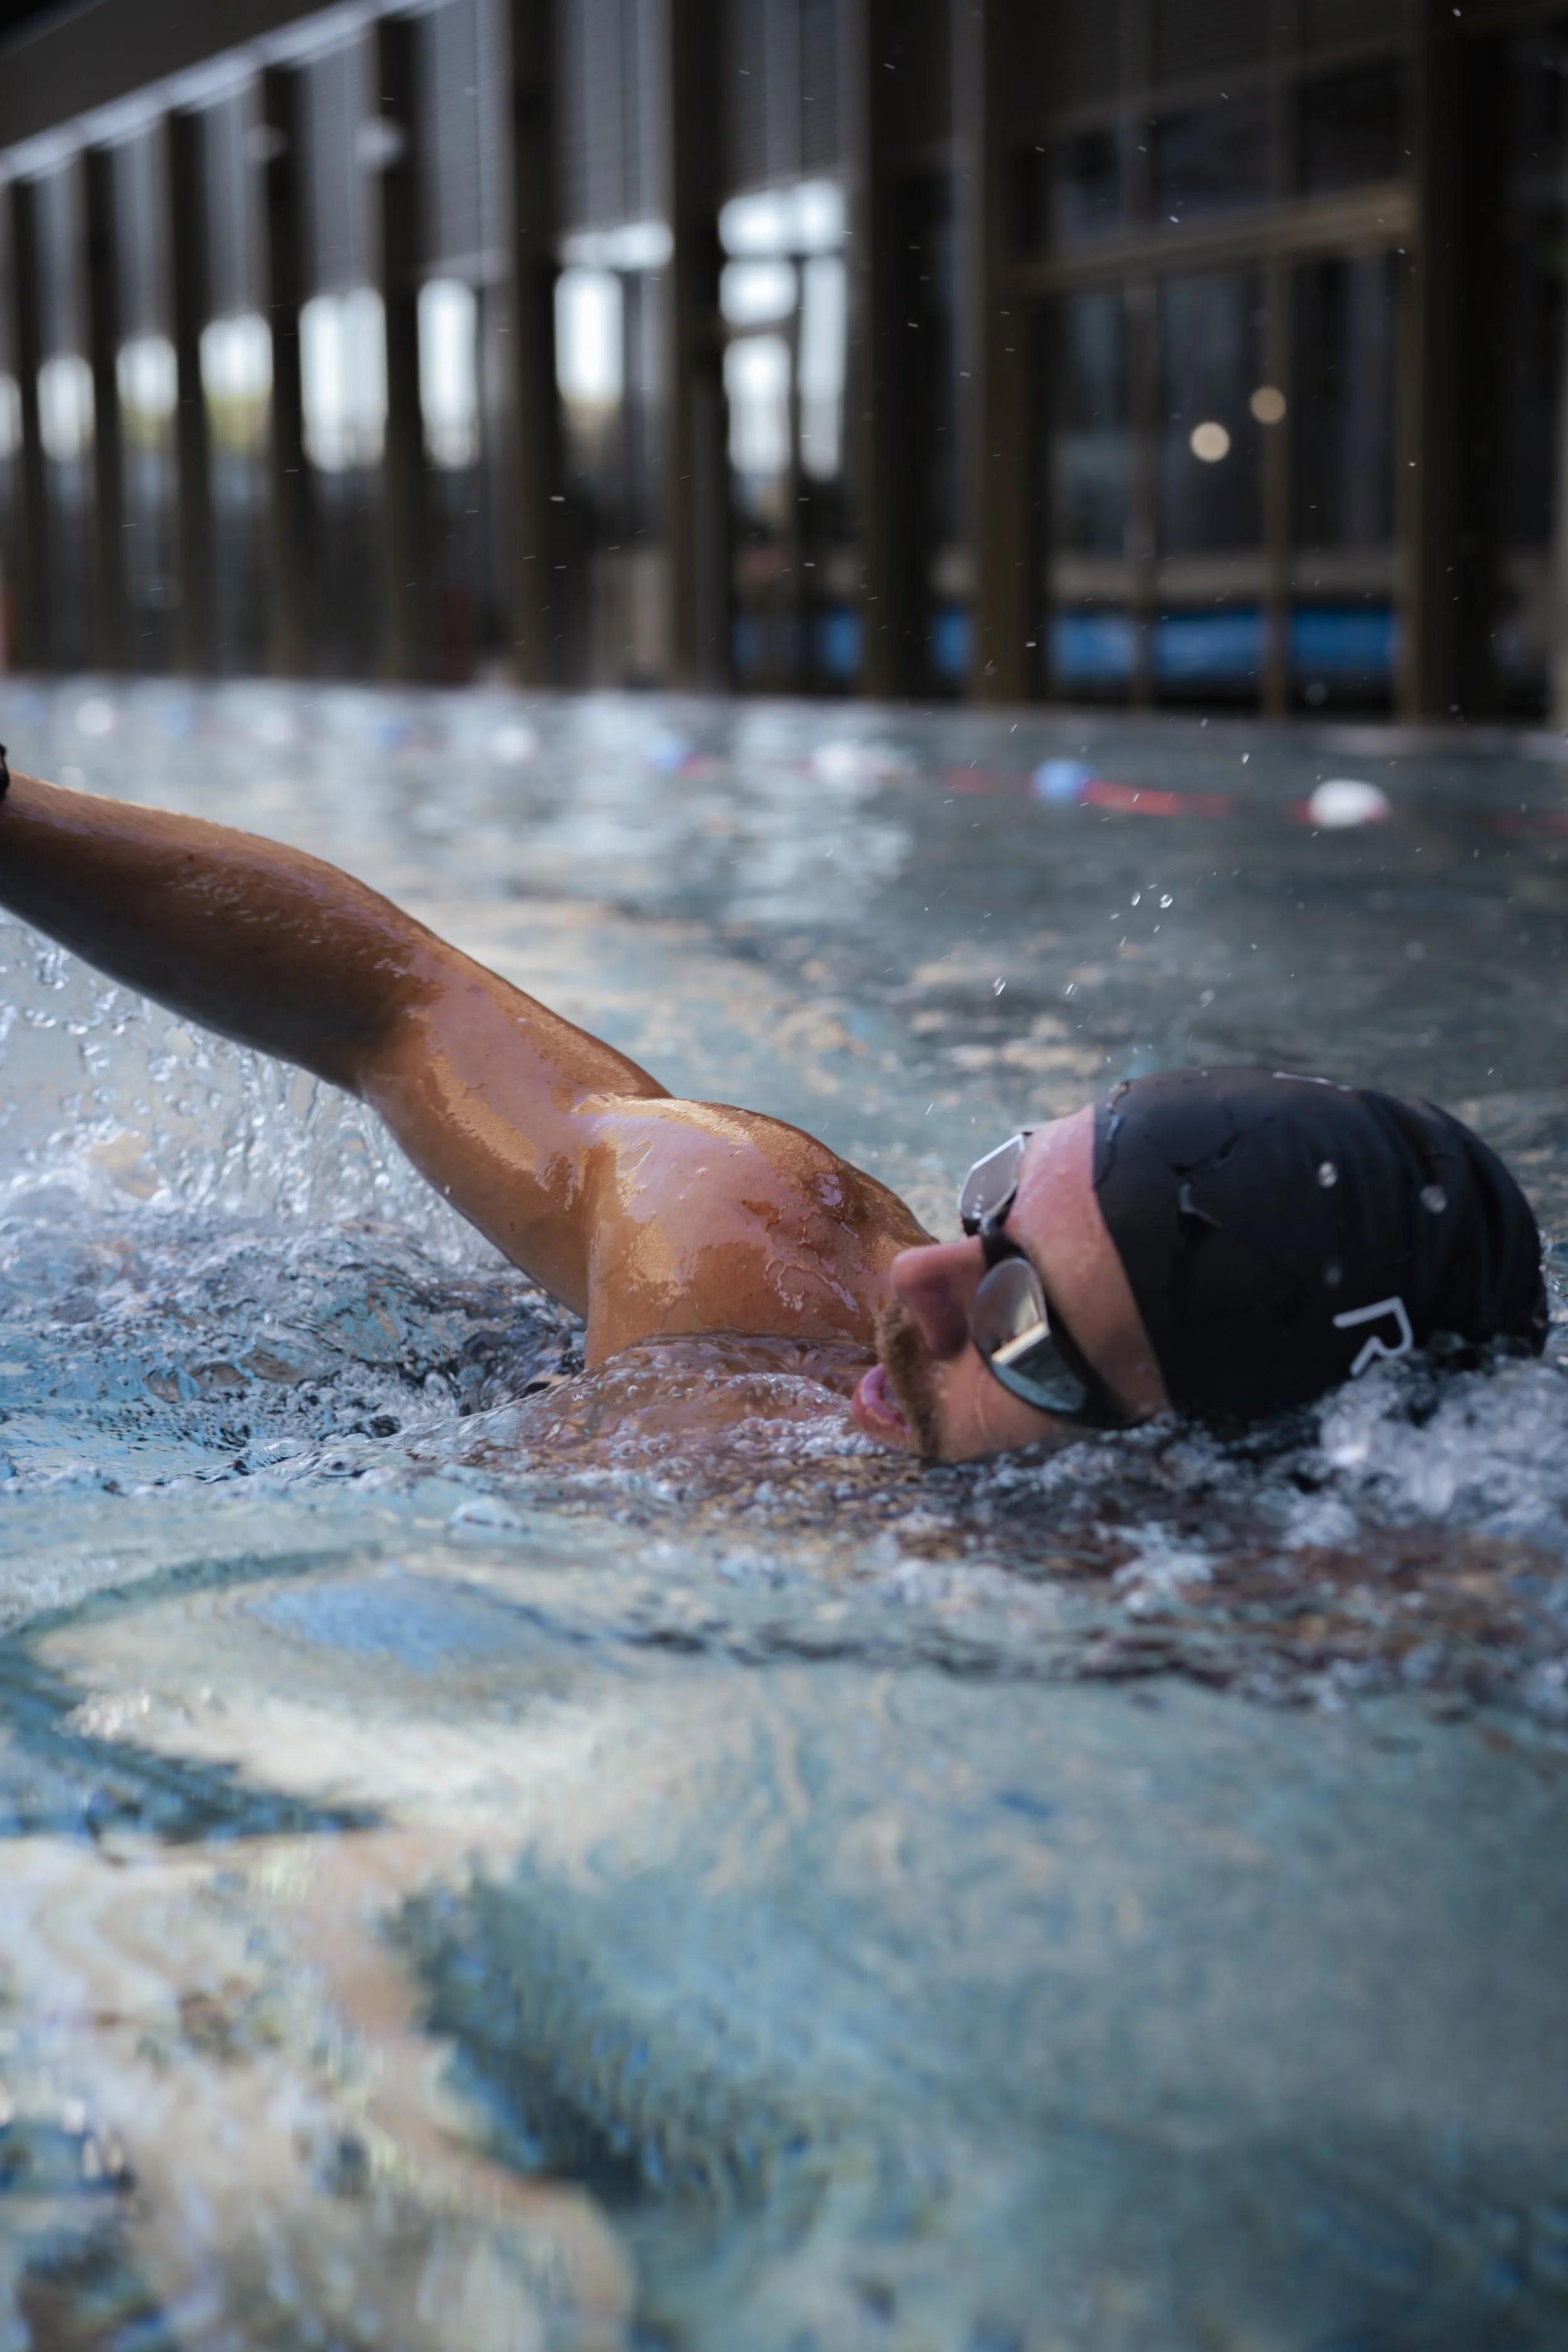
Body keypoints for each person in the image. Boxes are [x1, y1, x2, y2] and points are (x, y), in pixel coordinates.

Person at [0, 752, 1547, 1461]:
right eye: (987, 1204)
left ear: (1178, 1464)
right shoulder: (733, 1252)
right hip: (301, 1374)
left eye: (1022, 1327)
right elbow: (394, 999)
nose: (918, 1283)